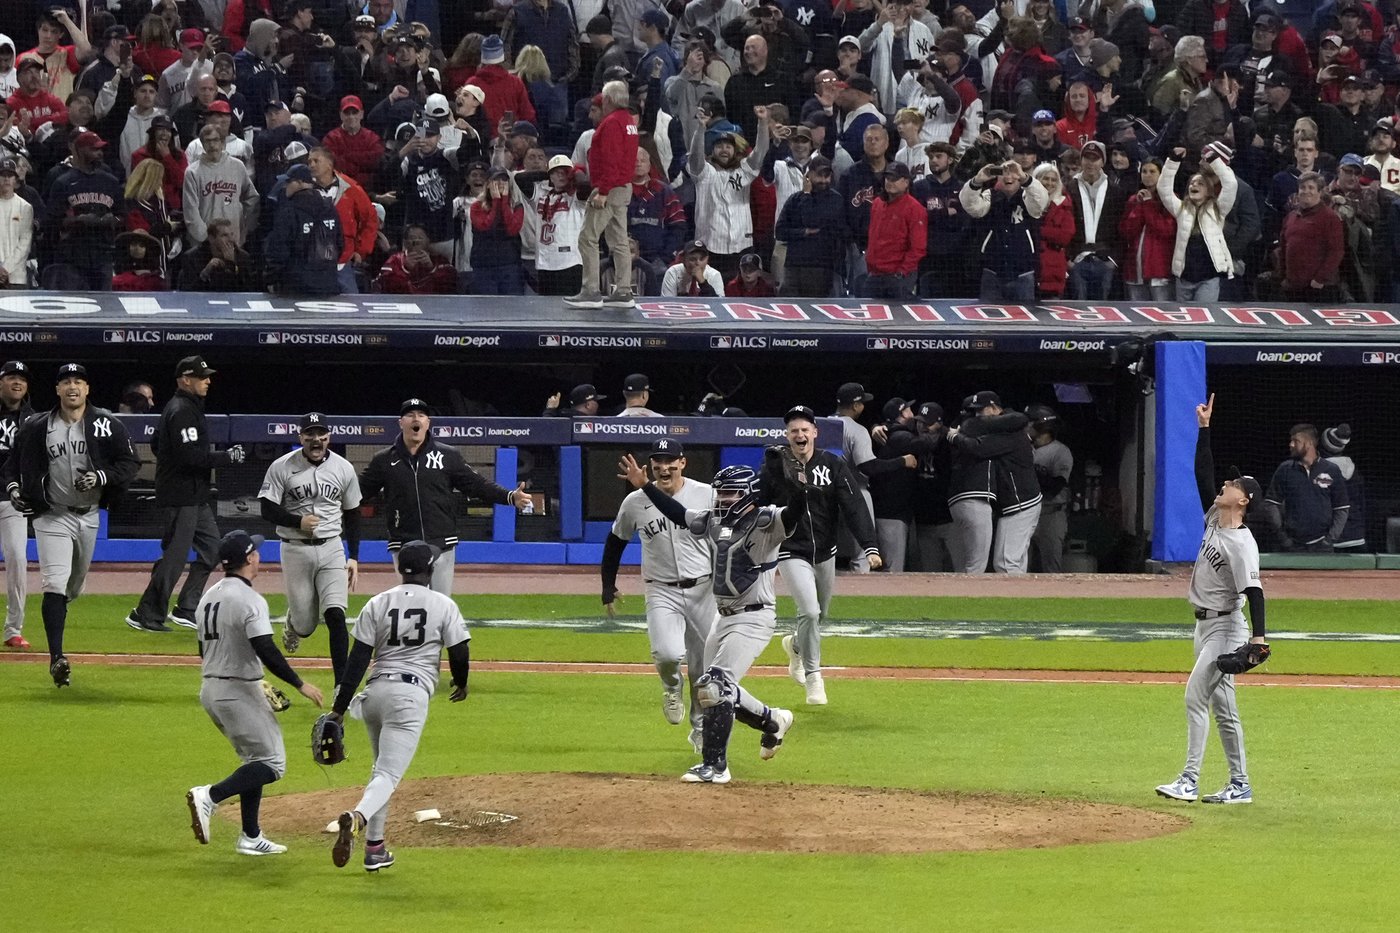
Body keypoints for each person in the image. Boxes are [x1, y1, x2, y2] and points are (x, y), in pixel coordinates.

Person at [616, 456, 796, 784]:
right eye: (720, 494)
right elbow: (677, 513)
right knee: (709, 690)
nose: (723, 500)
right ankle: (773, 721)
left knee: (716, 686)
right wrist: (644, 487)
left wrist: (790, 478)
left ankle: (715, 766)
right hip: (723, 617)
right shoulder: (714, 522)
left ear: (749, 494)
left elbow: (796, 509)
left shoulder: (769, 522)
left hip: (754, 617)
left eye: (730, 494)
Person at [327, 540, 472, 870]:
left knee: (381, 772)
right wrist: (461, 682)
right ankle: (358, 816)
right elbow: (460, 651)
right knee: (389, 775)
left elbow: (358, 660)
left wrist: (339, 707)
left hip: (374, 693)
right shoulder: (443, 604)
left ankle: (375, 848)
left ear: (399, 569)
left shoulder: (377, 603)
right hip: (409, 697)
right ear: (431, 570)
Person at [1155, 394, 1268, 806]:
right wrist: (1204, 429)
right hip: (1203, 626)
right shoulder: (1214, 518)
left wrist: (1257, 638)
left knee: (1195, 696)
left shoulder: (1241, 544)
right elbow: (1203, 475)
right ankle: (1241, 785)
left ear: (1244, 501)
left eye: (1234, 484)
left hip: (1226, 627)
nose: (1226, 483)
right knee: (1224, 709)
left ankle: (1189, 779)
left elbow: (1254, 591)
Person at [185, 530, 325, 858]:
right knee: (272, 764)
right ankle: (210, 795)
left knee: (254, 759)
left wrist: (254, 680)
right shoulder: (249, 600)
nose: (260, 555)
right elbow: (266, 647)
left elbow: (204, 649)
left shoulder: (210, 595)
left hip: (212, 688)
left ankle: (250, 835)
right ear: (250, 558)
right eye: (256, 552)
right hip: (236, 689)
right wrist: (300, 684)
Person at [5, 364, 139, 687]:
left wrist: (103, 476)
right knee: (54, 582)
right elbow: (10, 464)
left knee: (73, 587)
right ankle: (57, 659)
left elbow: (131, 462)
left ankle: (59, 618)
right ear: (57, 390)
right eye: (66, 382)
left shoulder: (106, 424)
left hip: (89, 515)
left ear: (87, 389)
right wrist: (13, 489)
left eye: (78, 381)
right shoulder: (39, 426)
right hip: (53, 514)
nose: (72, 386)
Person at [763, 406, 881, 706]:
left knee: (821, 614)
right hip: (791, 550)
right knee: (810, 612)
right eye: (794, 430)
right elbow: (760, 500)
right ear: (786, 435)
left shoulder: (833, 464)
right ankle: (814, 677)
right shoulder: (777, 464)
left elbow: (853, 506)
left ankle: (796, 647)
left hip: (826, 552)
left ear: (815, 432)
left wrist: (869, 545)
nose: (800, 435)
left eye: (805, 429)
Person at [602, 438, 715, 751]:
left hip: (703, 590)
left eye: (670, 461)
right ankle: (670, 685)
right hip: (660, 590)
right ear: (651, 466)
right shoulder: (635, 501)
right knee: (667, 655)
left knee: (702, 669)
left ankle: (701, 729)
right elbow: (615, 542)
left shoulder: (705, 494)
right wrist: (607, 586)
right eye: (657, 463)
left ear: (682, 463)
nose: (664, 468)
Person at [353, 398, 531, 595]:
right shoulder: (384, 460)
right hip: (404, 543)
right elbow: (357, 493)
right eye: (411, 415)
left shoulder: (447, 455)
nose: (416, 419)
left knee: (440, 603)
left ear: (428, 423)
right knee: (411, 602)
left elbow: (476, 485)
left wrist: (509, 497)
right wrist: (329, 505)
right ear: (401, 422)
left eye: (421, 415)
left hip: (442, 542)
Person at [126, 357, 247, 635]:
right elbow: (190, 455)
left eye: (207, 376)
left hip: (194, 494)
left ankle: (187, 608)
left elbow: (159, 444)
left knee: (213, 548)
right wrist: (226, 457)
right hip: (181, 496)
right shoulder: (181, 409)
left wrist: (173, 464)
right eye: (202, 376)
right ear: (185, 379)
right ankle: (146, 613)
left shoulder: (186, 407)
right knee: (175, 557)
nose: (208, 380)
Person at [258, 412, 362, 685]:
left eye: (321, 434)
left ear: (329, 436)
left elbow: (352, 512)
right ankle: (294, 622)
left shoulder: (343, 468)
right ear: (300, 436)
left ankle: (343, 686)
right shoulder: (281, 466)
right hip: (295, 549)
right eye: (310, 434)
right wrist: (298, 521)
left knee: (336, 614)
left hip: (331, 548)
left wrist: (354, 556)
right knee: (306, 626)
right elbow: (266, 508)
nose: (316, 439)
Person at [946, 391, 1041, 575]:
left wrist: (955, 437)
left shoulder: (1011, 431)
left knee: (1007, 564)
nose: (977, 415)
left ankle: (1016, 602)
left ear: (994, 408)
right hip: (1015, 503)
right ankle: (1023, 600)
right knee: (1011, 563)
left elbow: (980, 448)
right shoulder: (1003, 427)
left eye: (981, 410)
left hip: (1022, 502)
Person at [565, 79, 640, 309]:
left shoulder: (611, 123)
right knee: (619, 241)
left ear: (607, 100)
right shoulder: (629, 121)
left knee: (587, 237)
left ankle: (590, 292)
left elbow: (611, 159)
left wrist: (603, 191)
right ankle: (624, 292)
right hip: (624, 187)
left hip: (609, 188)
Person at [960, 160, 1050, 301]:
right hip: (992, 270)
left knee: (1025, 318)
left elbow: (1041, 201)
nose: (1009, 178)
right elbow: (970, 206)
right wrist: (977, 181)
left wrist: (1025, 177)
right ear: (997, 177)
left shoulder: (1028, 196)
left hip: (1024, 271)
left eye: (1013, 173)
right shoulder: (990, 196)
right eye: (1003, 173)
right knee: (990, 319)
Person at [1158, 144, 1237, 303]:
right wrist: (1173, 161)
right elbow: (1164, 188)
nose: (1194, 185)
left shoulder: (1217, 210)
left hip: (1208, 278)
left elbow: (1230, 184)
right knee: (1185, 323)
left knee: (1204, 320)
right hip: (1184, 279)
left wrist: (1214, 160)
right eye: (1192, 183)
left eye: (1200, 184)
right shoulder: (1181, 209)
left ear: (1209, 190)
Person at [1263, 424, 1350, 553]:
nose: (1291, 445)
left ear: (1309, 443)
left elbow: (1341, 508)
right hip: (1291, 547)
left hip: (1323, 547)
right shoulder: (1285, 469)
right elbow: (1271, 503)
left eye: (1296, 441)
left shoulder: (1332, 470)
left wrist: (1330, 539)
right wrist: (1283, 537)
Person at [264, 163, 344, 295]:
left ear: (300, 182)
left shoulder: (289, 211)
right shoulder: (329, 208)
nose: (285, 186)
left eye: (288, 182)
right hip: (328, 285)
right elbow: (340, 244)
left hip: (296, 287)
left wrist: (271, 279)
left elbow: (278, 251)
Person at [0, 360, 32, 650]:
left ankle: (14, 629)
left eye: (21, 378)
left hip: (12, 500)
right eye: (11, 377)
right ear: (1, 382)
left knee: (18, 561)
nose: (17, 382)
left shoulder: (34, 420)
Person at [1276, 172, 1345, 302]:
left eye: (1311, 188)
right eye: (1302, 187)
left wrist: (1320, 279)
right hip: (1293, 288)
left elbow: (1336, 252)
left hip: (1319, 290)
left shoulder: (1330, 218)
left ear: (1319, 192)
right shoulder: (1291, 216)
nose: (1306, 191)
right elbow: (1283, 248)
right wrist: (1283, 276)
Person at [863, 161, 927, 298]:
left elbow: (918, 247)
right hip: (875, 273)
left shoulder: (915, 209)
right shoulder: (877, 203)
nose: (890, 182)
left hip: (898, 276)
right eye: (888, 178)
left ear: (906, 182)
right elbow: (873, 236)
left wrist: (901, 272)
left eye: (894, 179)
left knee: (898, 317)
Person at [1026, 405, 1072, 573]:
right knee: (1019, 565)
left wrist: (1029, 474)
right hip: (1026, 513)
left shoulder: (1060, 451)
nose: (1027, 427)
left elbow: (1056, 486)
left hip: (1051, 514)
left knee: (1051, 566)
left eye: (1030, 424)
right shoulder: (1023, 448)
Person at [1319, 424, 1366, 552]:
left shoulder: (1321, 473)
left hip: (1331, 541)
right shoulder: (1356, 473)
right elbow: (1362, 505)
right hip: (1357, 537)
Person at [661, 238, 726, 296]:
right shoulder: (673, 272)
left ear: (707, 259)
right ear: (683, 259)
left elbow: (718, 304)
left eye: (702, 259)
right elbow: (667, 302)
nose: (698, 263)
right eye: (692, 259)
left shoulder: (714, 275)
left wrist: (703, 283)